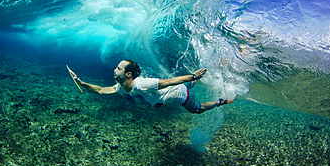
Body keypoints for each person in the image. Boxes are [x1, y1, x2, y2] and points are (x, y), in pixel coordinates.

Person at [69, 60, 235, 114]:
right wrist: (82, 83)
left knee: (197, 109)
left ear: (128, 75)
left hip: (177, 93)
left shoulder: (143, 84)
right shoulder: (119, 88)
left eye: (118, 68)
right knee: (188, 85)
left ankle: (221, 101)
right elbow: (99, 90)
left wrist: (193, 76)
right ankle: (194, 80)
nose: (114, 70)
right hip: (161, 96)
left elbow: (170, 82)